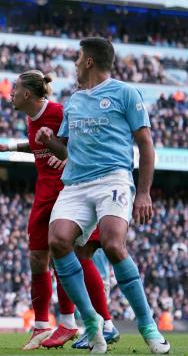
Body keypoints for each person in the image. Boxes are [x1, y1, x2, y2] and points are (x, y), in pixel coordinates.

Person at [37, 37, 170, 354]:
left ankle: (148, 326)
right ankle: (93, 323)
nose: (74, 63)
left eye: (78, 57)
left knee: (112, 243)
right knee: (57, 241)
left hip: (113, 177)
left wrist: (144, 192)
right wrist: (48, 140)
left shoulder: (125, 93)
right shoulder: (74, 101)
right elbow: (67, 150)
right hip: (77, 184)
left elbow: (146, 145)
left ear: (89, 61)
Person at [0, 70, 118, 350]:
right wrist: (9, 147)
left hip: (67, 191)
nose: (9, 92)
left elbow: (84, 137)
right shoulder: (31, 117)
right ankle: (40, 326)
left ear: (27, 94)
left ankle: (87, 323)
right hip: (43, 192)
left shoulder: (60, 112)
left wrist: (70, 154)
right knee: (37, 258)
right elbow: (39, 145)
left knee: (71, 257)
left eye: (14, 88)